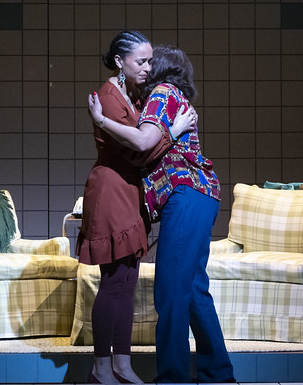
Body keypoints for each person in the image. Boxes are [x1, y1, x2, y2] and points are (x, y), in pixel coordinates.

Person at [89, 45, 234, 384]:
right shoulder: (173, 97)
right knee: (194, 290)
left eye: (150, 62)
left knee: (169, 291)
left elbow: (142, 141)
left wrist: (100, 120)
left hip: (187, 195)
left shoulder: (161, 94)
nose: (146, 66)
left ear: (161, 70)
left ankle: (172, 378)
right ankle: (219, 375)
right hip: (201, 195)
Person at [77, 31, 195, 384]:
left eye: (149, 61)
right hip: (112, 191)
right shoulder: (108, 97)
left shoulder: (133, 93)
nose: (148, 68)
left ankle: (122, 364)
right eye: (140, 61)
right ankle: (101, 367)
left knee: (127, 283)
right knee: (113, 281)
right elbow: (141, 150)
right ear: (119, 61)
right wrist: (173, 130)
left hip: (130, 192)